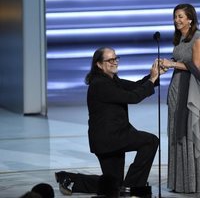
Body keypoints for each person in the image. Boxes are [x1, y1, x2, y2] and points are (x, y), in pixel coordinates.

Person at [55, 47, 165, 197]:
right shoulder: (100, 84)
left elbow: (135, 86)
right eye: (110, 60)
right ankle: (131, 188)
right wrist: (151, 80)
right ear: (99, 65)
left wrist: (154, 76)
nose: (115, 62)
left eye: (116, 58)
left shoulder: (112, 80)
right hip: (110, 138)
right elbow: (132, 97)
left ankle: (70, 179)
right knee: (150, 141)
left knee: (113, 185)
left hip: (110, 138)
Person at [160, 4, 200, 193]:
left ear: (190, 19)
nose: (177, 20)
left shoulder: (197, 38)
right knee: (175, 130)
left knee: (187, 131)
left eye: (181, 17)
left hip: (189, 89)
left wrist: (172, 63)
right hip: (176, 88)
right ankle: (179, 182)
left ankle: (191, 183)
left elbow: (197, 67)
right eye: (175, 16)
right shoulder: (179, 39)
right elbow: (179, 61)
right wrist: (166, 65)